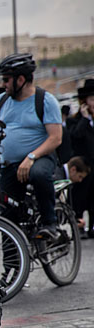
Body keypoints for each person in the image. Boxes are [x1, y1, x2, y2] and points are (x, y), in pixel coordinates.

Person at [0, 53, 63, 241]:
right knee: (5, 209)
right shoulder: (2, 101)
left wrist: (31, 157)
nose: (3, 84)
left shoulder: (45, 100)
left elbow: (55, 138)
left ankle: (50, 223)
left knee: (38, 175)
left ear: (21, 79)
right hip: (10, 163)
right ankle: (12, 267)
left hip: (40, 158)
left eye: (6, 79)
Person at [69, 79, 94, 238]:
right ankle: (78, 226)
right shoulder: (75, 120)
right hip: (82, 166)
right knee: (79, 198)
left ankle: (92, 227)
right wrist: (85, 119)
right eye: (92, 99)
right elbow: (75, 136)